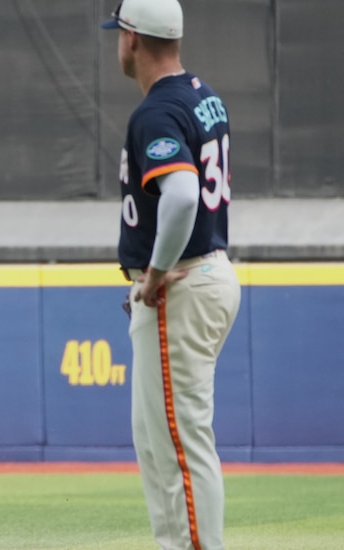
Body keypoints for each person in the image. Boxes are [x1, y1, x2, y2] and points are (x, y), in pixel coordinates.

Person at [102, 1, 242, 549]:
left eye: (120, 33)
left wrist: (155, 274)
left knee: (179, 447)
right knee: (160, 444)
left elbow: (182, 196)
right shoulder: (203, 95)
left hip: (181, 281)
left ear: (133, 39)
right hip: (200, 273)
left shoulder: (156, 111)